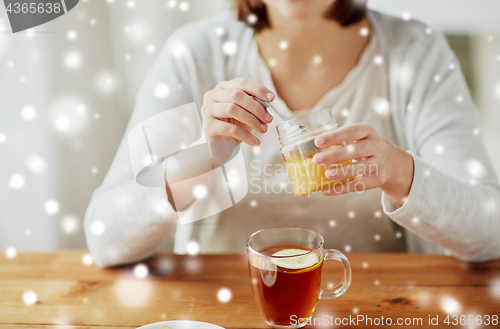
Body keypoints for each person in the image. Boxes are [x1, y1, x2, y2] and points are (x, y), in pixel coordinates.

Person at [84, 0, 500, 268]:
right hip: (226, 308)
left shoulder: (415, 51)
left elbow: (490, 231)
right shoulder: (195, 53)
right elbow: (106, 239)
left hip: (374, 306)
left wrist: (398, 172)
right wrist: (199, 156)